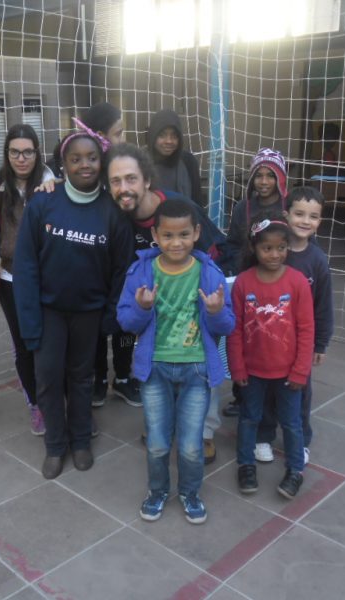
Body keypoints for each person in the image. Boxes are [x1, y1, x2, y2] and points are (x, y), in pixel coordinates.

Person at [13, 130, 134, 480]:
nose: (85, 164)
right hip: (49, 310)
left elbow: (121, 270)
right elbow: (26, 265)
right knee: (48, 378)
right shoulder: (43, 203)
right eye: (76, 158)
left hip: (89, 313)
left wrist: (110, 317)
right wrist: (29, 319)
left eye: (92, 158)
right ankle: (55, 445)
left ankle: (80, 440)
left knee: (82, 378)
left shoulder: (112, 212)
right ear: (63, 164)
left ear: (102, 162)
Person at [106, 142, 233, 463]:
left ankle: (204, 431)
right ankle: (161, 423)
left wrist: (213, 305)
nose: (123, 188)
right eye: (115, 181)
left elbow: (213, 253)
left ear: (147, 180)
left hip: (199, 305)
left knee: (203, 364)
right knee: (158, 366)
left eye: (131, 178)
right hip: (155, 309)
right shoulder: (117, 216)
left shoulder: (178, 209)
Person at [117, 199, 235, 524]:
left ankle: (190, 493)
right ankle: (157, 491)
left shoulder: (209, 272)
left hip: (197, 369)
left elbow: (227, 325)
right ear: (155, 235)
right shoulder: (141, 271)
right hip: (155, 370)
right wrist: (142, 307)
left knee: (191, 445)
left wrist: (215, 312)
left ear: (196, 233)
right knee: (157, 443)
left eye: (184, 234)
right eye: (167, 235)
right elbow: (126, 322)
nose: (176, 242)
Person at [227, 214, 314, 500]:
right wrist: (237, 367)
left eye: (281, 247)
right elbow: (235, 329)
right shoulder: (243, 283)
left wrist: (301, 371)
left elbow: (306, 329)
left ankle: (295, 470)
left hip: (289, 374)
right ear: (254, 248)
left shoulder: (298, 282)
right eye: (267, 248)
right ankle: (246, 465)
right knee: (249, 418)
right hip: (252, 372)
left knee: (291, 423)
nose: (275, 254)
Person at [254, 186, 333, 465]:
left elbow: (323, 305)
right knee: (265, 390)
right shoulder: (273, 250)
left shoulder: (317, 260)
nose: (305, 221)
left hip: (300, 342)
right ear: (286, 214)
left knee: (300, 391)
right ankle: (263, 435)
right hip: (268, 336)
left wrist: (320, 343)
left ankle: (300, 440)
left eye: (313, 216)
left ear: (320, 221)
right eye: (299, 214)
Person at [0, 124, 55, 436]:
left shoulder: (51, 185)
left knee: (53, 345)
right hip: (11, 279)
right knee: (24, 346)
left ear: (37, 153)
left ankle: (62, 401)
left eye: (27, 152)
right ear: (7, 154)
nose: (21, 158)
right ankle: (36, 405)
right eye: (15, 152)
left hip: (48, 279)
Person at [74, 103, 140, 409]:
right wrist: (50, 182)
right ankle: (99, 377)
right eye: (118, 132)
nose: (123, 138)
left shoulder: (123, 163)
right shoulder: (85, 167)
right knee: (98, 325)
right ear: (100, 135)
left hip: (125, 254)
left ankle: (123, 376)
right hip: (94, 258)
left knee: (124, 322)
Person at [223, 147, 289, 418]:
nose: (264, 181)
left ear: (280, 178)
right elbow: (232, 244)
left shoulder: (288, 207)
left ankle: (277, 398)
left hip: (279, 283)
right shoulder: (243, 208)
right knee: (247, 337)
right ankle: (242, 396)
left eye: (270, 175)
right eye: (259, 175)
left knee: (275, 338)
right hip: (248, 281)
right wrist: (234, 272)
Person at [146, 109, 205, 208]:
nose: (169, 141)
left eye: (174, 136)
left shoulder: (188, 161)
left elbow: (197, 202)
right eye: (162, 135)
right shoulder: (140, 161)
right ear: (153, 135)